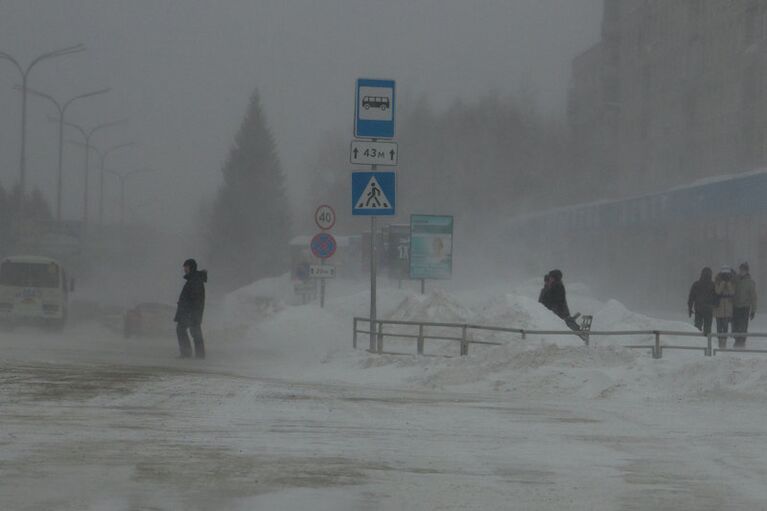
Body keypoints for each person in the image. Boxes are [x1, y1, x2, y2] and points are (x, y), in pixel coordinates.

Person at [175, 258, 207, 359]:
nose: (184, 269)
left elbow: (195, 299)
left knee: (184, 330)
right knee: (194, 332)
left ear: (191, 267)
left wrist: (189, 311)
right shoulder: (194, 279)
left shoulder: (195, 280)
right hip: (190, 312)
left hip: (190, 313)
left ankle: (188, 353)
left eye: (186, 267)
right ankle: (198, 354)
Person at [733, 262, 757, 349]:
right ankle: (736, 340)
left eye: (743, 270)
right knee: (735, 325)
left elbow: (754, 297)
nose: (742, 271)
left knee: (743, 325)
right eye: (741, 269)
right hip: (735, 306)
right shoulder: (736, 280)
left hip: (745, 307)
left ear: (747, 271)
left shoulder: (750, 282)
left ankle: (742, 341)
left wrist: (753, 310)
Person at [687, 267, 715, 336]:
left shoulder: (696, 284)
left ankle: (698, 342)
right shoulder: (713, 285)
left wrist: (690, 309)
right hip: (709, 309)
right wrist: (715, 306)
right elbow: (716, 298)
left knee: (697, 328)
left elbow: (691, 298)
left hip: (699, 308)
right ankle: (707, 343)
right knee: (708, 330)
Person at [713, 266, 735, 349]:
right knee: (719, 327)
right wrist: (722, 283)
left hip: (727, 308)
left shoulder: (732, 282)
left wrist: (728, 283)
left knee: (725, 326)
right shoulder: (717, 281)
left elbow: (732, 292)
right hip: (719, 307)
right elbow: (718, 291)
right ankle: (719, 343)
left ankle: (724, 343)